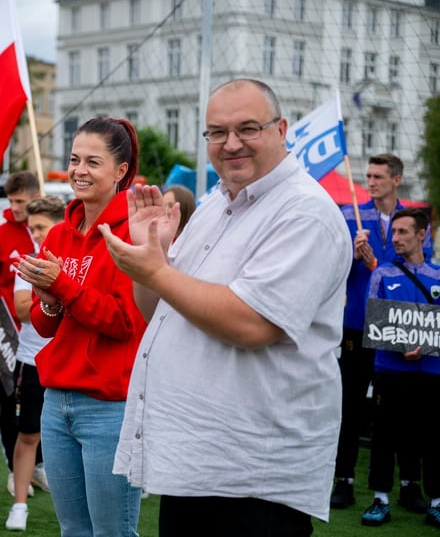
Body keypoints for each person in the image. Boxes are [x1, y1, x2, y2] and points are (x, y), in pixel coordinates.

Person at [102, 78, 353, 536]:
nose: (231, 143)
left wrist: (157, 271)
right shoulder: (218, 204)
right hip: (197, 465)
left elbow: (252, 324)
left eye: (247, 128)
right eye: (217, 132)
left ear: (281, 130)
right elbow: (156, 309)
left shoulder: (305, 212)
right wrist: (153, 259)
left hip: (253, 477)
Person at [16, 117, 147, 536]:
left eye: (93, 161)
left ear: (121, 170)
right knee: (73, 529)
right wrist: (51, 301)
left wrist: (63, 287)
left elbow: (125, 322)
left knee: (113, 532)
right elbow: (44, 323)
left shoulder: (135, 234)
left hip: (111, 406)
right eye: (74, 160)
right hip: (56, 402)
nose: (79, 171)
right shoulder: (57, 233)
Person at [331, 153, 433, 510]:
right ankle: (343, 480)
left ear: (396, 179)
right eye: (368, 176)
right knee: (349, 404)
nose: (370, 181)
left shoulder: (416, 221)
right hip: (357, 323)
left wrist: (376, 263)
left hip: (401, 328)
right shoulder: (349, 216)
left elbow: (422, 267)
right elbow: (332, 267)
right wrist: (353, 257)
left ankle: (408, 484)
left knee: (406, 411)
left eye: (377, 176)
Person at [360, 207, 440, 528]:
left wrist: (426, 345)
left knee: (434, 437)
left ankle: (437, 502)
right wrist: (401, 343)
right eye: (394, 233)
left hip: (432, 373)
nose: (396, 239)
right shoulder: (382, 274)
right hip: (391, 372)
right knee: (384, 436)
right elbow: (374, 320)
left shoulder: (438, 276)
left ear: (422, 235)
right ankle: (380, 499)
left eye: (403, 232)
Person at [0, 170, 46, 497]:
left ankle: (36, 468)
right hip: (5, 333)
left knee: (44, 404)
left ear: (35, 198)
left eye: (20, 201)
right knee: (9, 405)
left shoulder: (50, 232)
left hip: (42, 337)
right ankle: (12, 469)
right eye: (11, 201)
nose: (15, 207)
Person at [5, 195, 65, 531]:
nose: (36, 235)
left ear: (59, 223)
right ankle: (19, 506)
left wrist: (59, 291)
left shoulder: (74, 257)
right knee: (28, 435)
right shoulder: (29, 262)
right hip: (32, 360)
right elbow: (22, 310)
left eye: (41, 227)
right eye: (32, 229)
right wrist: (58, 295)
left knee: (66, 439)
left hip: (67, 361)